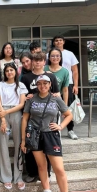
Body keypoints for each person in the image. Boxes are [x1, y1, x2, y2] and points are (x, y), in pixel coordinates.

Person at [21, 75, 73, 192]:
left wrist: (60, 126)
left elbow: (69, 115)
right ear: (36, 85)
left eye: (45, 83)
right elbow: (24, 119)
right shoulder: (31, 99)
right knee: (41, 165)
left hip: (51, 135)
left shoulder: (56, 99)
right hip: (35, 135)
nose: (42, 86)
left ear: (50, 84)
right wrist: (23, 140)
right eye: (39, 83)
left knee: (59, 169)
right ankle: (46, 190)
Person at [20, 52, 59, 183]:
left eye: (40, 60)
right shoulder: (26, 77)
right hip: (31, 115)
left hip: (47, 116)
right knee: (31, 146)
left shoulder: (51, 76)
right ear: (32, 62)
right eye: (35, 60)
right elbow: (22, 94)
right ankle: (32, 172)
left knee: (46, 147)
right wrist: (28, 97)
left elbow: (56, 94)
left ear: (44, 62)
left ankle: (46, 173)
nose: (37, 62)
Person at [0, 63, 27, 190]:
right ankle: (6, 177)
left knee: (19, 144)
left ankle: (18, 177)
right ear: (4, 73)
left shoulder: (21, 85)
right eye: (7, 70)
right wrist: (2, 120)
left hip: (16, 114)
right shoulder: (0, 85)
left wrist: (7, 112)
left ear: (15, 72)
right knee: (3, 145)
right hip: (3, 116)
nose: (9, 72)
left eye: (11, 70)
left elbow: (22, 104)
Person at [52, 35, 79, 140]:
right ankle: (53, 128)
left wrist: (76, 85)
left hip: (69, 84)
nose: (58, 42)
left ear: (63, 42)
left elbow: (75, 70)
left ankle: (70, 130)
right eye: (56, 41)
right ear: (54, 43)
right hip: (53, 85)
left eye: (60, 40)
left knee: (69, 107)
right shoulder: (49, 54)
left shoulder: (69, 54)